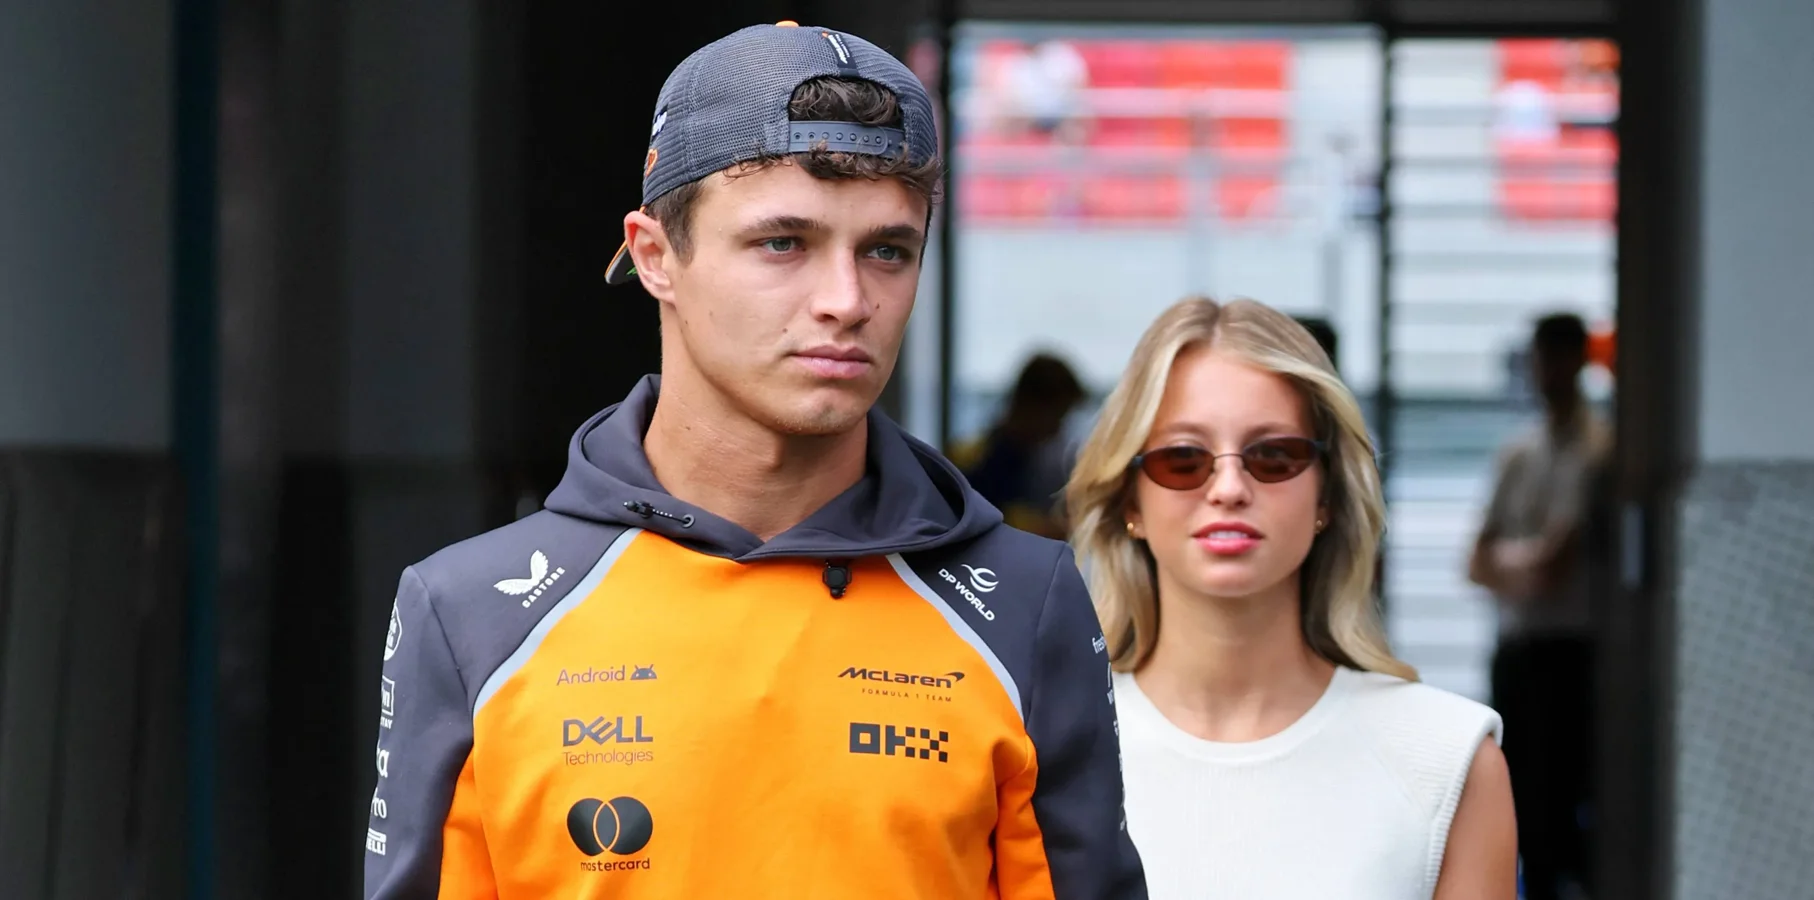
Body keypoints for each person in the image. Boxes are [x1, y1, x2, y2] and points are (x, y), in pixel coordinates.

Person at [362, 22, 1144, 899]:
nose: (847, 300)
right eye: (784, 243)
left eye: (887, 250)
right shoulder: (470, 611)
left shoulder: (1025, 602)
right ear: (656, 256)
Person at [1066, 297, 1517, 899]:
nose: (1229, 488)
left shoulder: (1447, 759)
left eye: (1274, 456)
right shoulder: (1039, 747)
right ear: (1131, 500)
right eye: (1184, 459)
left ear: (1326, 496)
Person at [1468, 311, 1608, 900]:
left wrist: (1511, 561)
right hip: (1518, 647)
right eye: (1538, 359)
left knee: (1566, 801)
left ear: (1578, 362)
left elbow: (1556, 565)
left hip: (1572, 652)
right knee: (1519, 798)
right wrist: (1525, 561)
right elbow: (1475, 562)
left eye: (1554, 358)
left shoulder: (1600, 450)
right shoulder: (1519, 453)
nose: (1543, 371)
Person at [957, 353, 1088, 539]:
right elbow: (985, 522)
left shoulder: (1032, 456)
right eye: (1059, 415)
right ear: (1034, 406)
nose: (1059, 428)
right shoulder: (986, 461)